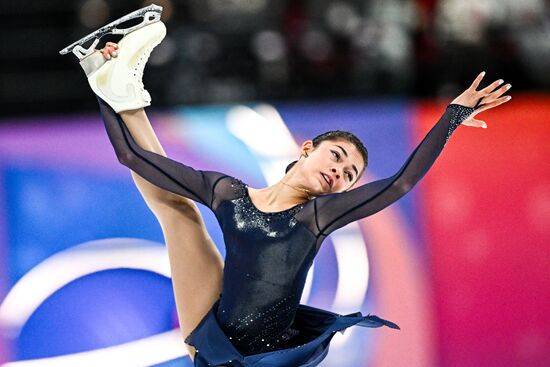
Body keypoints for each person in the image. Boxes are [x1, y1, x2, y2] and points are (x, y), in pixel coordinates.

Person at [67, 14, 511, 367]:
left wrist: (451, 117)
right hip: (214, 339)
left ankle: (114, 82)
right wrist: (101, 87)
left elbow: (402, 182)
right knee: (177, 211)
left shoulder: (316, 219)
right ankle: (118, 80)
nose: (340, 172)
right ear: (306, 149)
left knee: (177, 209)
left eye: (350, 174)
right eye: (336, 157)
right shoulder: (229, 193)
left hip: (257, 362)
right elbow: (136, 159)